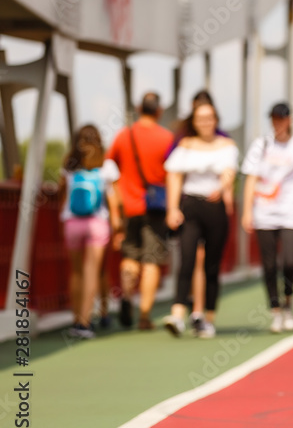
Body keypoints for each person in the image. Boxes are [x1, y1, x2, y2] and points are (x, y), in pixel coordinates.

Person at [163, 101, 238, 338]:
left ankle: (207, 316)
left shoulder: (227, 146)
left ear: (216, 120)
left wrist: (223, 185)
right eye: (200, 118)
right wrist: (172, 208)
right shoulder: (185, 146)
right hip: (191, 206)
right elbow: (174, 177)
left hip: (215, 207)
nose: (205, 123)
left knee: (211, 265)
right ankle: (178, 314)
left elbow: (230, 172)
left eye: (209, 118)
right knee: (186, 258)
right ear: (194, 122)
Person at [241, 103, 293, 333]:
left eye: (282, 119)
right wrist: (246, 211)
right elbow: (251, 179)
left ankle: (288, 301)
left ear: (290, 120)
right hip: (264, 210)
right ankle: (275, 310)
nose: (278, 123)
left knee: (290, 261)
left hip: (292, 210)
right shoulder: (261, 144)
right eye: (274, 119)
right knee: (269, 263)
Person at [107, 92, 173, 330]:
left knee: (131, 256)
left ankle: (126, 296)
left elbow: (109, 168)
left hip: (130, 207)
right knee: (152, 261)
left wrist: (117, 204)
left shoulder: (124, 136)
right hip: (157, 207)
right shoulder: (167, 138)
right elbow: (174, 173)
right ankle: (144, 316)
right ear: (159, 110)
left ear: (138, 107)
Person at [60, 125, 122, 339]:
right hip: (97, 223)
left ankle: (76, 318)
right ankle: (86, 322)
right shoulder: (106, 166)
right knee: (92, 271)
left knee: (75, 272)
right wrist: (118, 227)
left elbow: (61, 195)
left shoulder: (69, 166)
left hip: (72, 223)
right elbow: (114, 200)